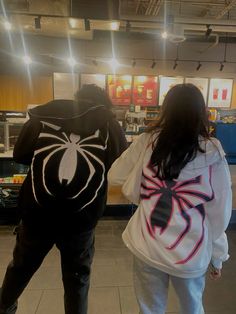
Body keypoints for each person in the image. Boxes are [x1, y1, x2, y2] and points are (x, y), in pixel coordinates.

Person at [0, 84, 127, 314]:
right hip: (81, 218)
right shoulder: (110, 125)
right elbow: (119, 165)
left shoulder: (44, 116)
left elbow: (20, 154)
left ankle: (4, 306)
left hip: (37, 213)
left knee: (21, 267)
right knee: (77, 279)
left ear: (76, 98)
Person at [108, 84, 232, 314]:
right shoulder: (212, 151)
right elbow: (219, 212)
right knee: (192, 308)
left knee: (150, 309)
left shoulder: (148, 140)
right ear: (201, 112)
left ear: (166, 109)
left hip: (147, 244)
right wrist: (218, 256)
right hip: (190, 252)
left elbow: (115, 175)